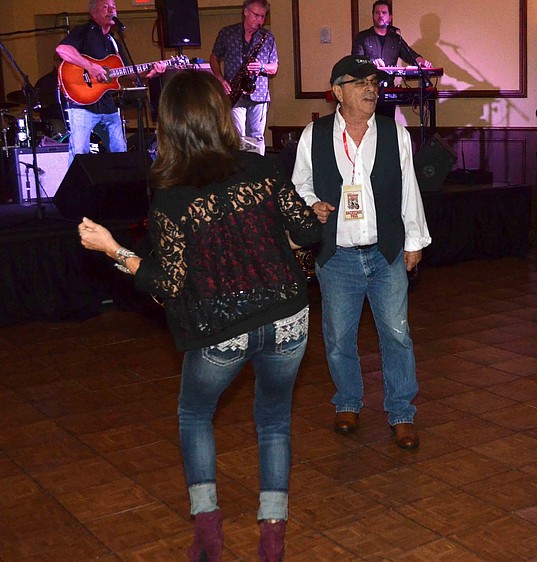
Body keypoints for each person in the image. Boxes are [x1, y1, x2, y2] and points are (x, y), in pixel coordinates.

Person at [78, 70, 321, 562]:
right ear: (219, 114)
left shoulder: (171, 198)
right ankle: (272, 542)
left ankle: (209, 535)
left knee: (194, 414)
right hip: (288, 320)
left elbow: (166, 282)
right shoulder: (264, 168)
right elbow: (307, 232)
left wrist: (113, 249)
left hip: (222, 332)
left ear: (169, 124)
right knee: (274, 422)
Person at [291, 55, 431, 450]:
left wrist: (414, 242)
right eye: (359, 83)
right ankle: (348, 402)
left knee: (397, 334)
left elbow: (410, 191)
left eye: (373, 82)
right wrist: (311, 204)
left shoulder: (394, 133)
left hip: (384, 250)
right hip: (337, 254)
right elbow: (298, 185)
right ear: (338, 91)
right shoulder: (314, 134)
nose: (371, 89)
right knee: (338, 338)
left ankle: (401, 412)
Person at [56, 0, 164, 164]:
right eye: (106, 7)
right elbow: (62, 49)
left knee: (120, 150)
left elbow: (131, 74)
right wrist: (90, 67)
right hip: (82, 104)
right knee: (79, 153)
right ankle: (76, 188)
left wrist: (152, 72)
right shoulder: (83, 31)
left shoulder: (114, 42)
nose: (111, 10)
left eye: (113, 7)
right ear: (93, 12)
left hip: (107, 105)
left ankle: (119, 187)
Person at [211, 0, 278, 155]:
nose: (260, 20)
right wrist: (220, 80)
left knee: (257, 136)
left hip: (259, 94)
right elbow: (214, 58)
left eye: (263, 17)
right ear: (246, 12)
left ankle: (257, 172)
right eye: (257, 15)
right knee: (237, 136)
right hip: (235, 93)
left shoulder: (267, 37)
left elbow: (274, 67)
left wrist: (261, 66)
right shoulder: (227, 33)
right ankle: (241, 172)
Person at [352, 1, 431, 118]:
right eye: (377, 13)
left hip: (388, 88)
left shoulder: (395, 38)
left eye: (384, 13)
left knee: (387, 124)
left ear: (390, 17)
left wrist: (421, 61)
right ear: (373, 16)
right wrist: (372, 62)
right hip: (367, 88)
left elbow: (410, 55)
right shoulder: (363, 37)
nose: (380, 15)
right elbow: (356, 59)